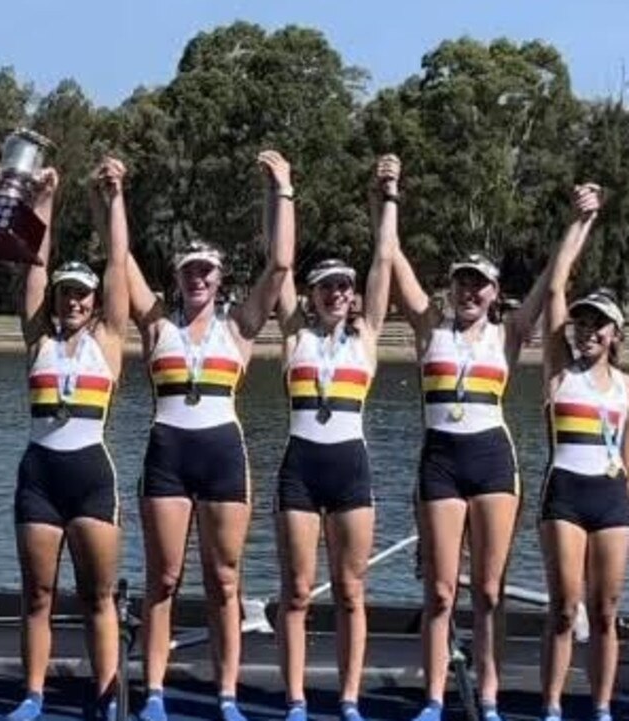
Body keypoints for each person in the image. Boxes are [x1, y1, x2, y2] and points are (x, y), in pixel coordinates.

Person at [392, 181, 587, 721]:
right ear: (451, 289)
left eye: (479, 285)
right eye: (461, 283)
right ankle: (434, 699)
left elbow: (553, 281)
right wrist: (386, 199)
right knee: (437, 589)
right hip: (440, 464)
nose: (470, 292)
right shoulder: (430, 330)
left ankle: (490, 696)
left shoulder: (510, 333)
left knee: (489, 590)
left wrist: (577, 223)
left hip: (493, 465)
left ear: (494, 291)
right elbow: (392, 260)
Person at [129, 151, 295, 721]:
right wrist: (114, 198)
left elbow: (279, 267)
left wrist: (282, 190)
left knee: (225, 580)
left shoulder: (239, 327)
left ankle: (227, 695)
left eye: (207, 271)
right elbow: (119, 260)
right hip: (167, 457)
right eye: (189, 271)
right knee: (164, 578)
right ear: (177, 279)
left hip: (223, 455)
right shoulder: (157, 326)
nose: (198, 278)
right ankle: (153, 692)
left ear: (220, 279)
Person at [272, 156, 397, 721]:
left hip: (351, 470)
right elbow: (280, 264)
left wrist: (387, 196)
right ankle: (296, 699)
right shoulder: (294, 334)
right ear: (313, 294)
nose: (337, 293)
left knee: (350, 592)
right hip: (300, 470)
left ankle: (347, 699)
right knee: (297, 592)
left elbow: (384, 260)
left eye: (344, 286)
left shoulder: (366, 336)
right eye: (326, 287)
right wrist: (284, 191)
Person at [5, 156, 129, 721]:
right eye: (65, 294)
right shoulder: (37, 340)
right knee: (37, 597)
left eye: (83, 293)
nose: (74, 300)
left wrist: (114, 198)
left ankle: (105, 696)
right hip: (39, 479)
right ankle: (32, 695)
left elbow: (119, 266)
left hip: (90, 479)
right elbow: (34, 264)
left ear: (94, 300)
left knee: (97, 598)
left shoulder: (107, 340)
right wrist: (44, 200)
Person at [536, 185, 619, 721]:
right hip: (564, 495)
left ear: (614, 334)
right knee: (566, 608)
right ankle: (550, 707)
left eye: (598, 324)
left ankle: (603, 708)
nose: (586, 330)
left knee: (607, 610)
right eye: (581, 322)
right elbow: (555, 288)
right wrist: (579, 222)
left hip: (612, 500)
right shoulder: (557, 372)